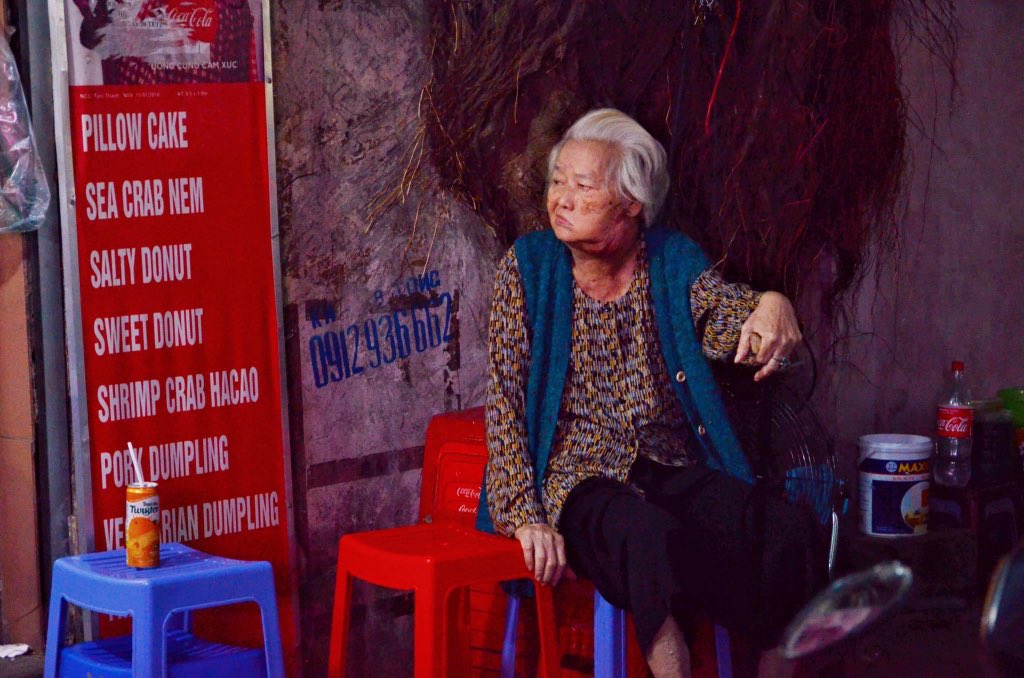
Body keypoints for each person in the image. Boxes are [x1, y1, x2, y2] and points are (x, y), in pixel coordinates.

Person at [477, 108, 826, 677]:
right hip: (575, 479)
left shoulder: (670, 260)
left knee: (785, 534)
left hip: (667, 467)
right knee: (646, 537)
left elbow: (721, 312)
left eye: (582, 185)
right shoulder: (529, 268)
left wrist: (770, 305)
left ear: (632, 202)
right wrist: (524, 516)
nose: (560, 198)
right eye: (557, 181)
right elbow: (505, 400)